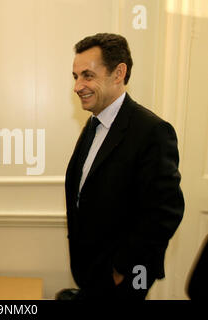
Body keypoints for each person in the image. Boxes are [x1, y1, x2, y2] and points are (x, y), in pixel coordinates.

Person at [62, 33, 184, 300]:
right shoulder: (93, 125)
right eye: (75, 76)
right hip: (92, 272)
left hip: (125, 279)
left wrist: (122, 269)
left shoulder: (152, 131)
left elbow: (165, 212)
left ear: (118, 73)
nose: (77, 86)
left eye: (87, 75)